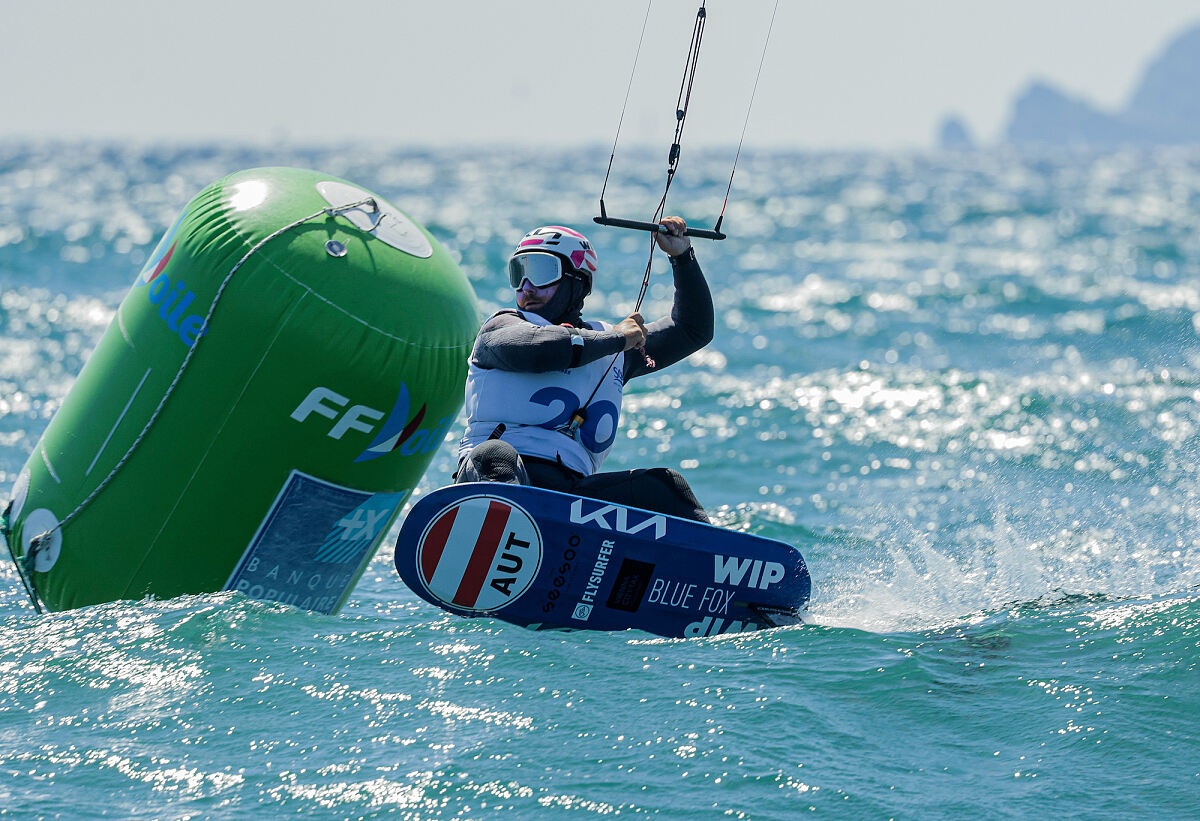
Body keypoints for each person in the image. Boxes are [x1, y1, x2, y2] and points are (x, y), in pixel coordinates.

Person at [455, 218, 714, 522]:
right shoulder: (501, 328)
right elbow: (543, 350)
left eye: (540, 272)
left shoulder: (613, 350)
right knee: (495, 455)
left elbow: (692, 329)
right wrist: (618, 337)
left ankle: (717, 564)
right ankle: (491, 538)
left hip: (569, 500)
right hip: (495, 479)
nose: (527, 287)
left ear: (576, 282)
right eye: (519, 273)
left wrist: (682, 256)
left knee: (664, 487)